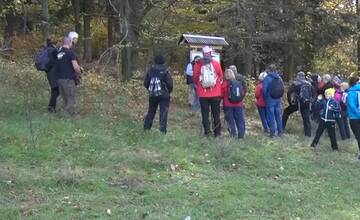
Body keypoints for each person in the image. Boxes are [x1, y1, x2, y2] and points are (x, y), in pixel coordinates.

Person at [193, 45, 224, 137]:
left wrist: (199, 84)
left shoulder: (198, 64)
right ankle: (217, 134)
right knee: (216, 114)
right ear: (210, 53)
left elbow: (195, 78)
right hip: (216, 93)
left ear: (202, 53)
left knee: (205, 114)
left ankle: (207, 133)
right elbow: (221, 76)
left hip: (203, 94)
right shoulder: (216, 63)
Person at [53, 34, 82, 116]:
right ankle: (65, 115)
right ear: (70, 41)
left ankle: (68, 116)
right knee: (71, 98)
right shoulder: (70, 53)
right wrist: (79, 73)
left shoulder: (59, 53)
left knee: (65, 99)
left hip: (59, 79)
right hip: (68, 80)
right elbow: (76, 67)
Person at [143, 54, 173, 134]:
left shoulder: (151, 70)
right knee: (163, 112)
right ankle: (162, 131)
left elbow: (146, 83)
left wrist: (151, 90)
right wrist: (168, 92)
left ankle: (146, 128)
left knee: (151, 111)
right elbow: (170, 84)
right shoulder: (165, 70)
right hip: (164, 95)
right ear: (163, 61)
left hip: (153, 95)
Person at [282, 71, 312, 137]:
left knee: (286, 112)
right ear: (304, 77)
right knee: (306, 119)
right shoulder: (309, 84)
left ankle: (281, 129)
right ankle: (308, 135)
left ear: (298, 76)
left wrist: (290, 103)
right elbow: (312, 94)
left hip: (297, 103)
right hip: (306, 103)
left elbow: (289, 93)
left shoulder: (295, 83)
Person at [221, 69, 245, 138]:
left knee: (230, 120)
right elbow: (242, 93)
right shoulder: (238, 83)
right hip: (238, 104)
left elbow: (221, 95)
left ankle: (233, 134)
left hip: (227, 105)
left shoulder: (224, 84)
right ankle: (241, 135)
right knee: (240, 120)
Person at [262, 64, 284, 137]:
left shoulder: (267, 78)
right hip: (277, 99)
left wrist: (266, 98)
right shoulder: (279, 78)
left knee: (271, 116)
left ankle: (272, 133)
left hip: (270, 99)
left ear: (269, 69)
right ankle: (280, 132)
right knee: (278, 116)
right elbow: (282, 88)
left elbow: (264, 90)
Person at [347, 76, 360, 160]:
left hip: (354, 118)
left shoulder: (350, 92)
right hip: (355, 117)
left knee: (358, 137)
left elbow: (352, 106)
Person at [44, 39, 59, 113]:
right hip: (54, 73)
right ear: (54, 44)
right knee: (56, 90)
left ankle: (51, 106)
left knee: (54, 90)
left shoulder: (47, 49)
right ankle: (51, 107)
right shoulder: (54, 50)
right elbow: (60, 57)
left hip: (49, 72)